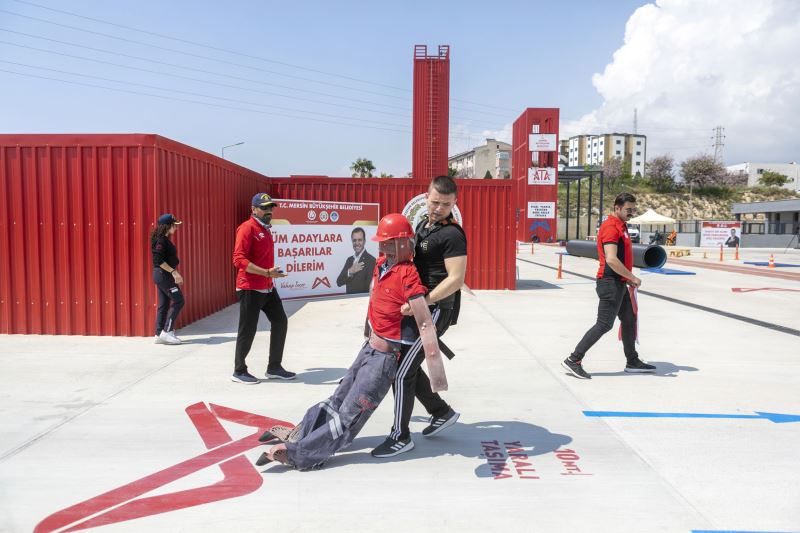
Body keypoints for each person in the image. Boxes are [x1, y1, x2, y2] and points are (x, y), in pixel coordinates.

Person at [256, 213, 440, 470]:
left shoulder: (407, 273)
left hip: (385, 358)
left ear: (402, 243)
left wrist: (414, 307)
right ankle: (303, 433)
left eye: (389, 243)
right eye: (382, 243)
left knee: (348, 416)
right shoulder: (380, 265)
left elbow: (421, 308)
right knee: (336, 401)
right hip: (368, 349)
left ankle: (301, 454)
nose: (383, 247)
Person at [371, 175, 467, 458]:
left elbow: (456, 279)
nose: (439, 208)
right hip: (418, 305)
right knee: (408, 365)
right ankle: (440, 412)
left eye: (446, 204)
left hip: (435, 310)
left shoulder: (452, 234)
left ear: (454, 203)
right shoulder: (425, 225)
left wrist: (423, 302)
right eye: (435, 202)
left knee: (401, 374)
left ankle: (400, 436)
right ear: (426, 198)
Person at [561, 193, 656, 379]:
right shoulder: (611, 227)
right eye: (628, 210)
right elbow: (611, 259)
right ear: (617, 208)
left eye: (633, 209)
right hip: (610, 283)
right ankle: (574, 359)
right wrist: (632, 277)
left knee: (629, 319)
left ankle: (632, 361)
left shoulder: (622, 226)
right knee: (604, 324)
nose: (631, 213)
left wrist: (626, 278)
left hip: (619, 282)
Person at [231, 193, 296, 384]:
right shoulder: (247, 228)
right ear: (254, 209)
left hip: (267, 287)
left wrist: (270, 276)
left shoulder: (265, 229)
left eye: (271, 207)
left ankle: (274, 367)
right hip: (250, 288)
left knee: (280, 322)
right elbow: (239, 260)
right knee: (248, 329)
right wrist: (266, 272)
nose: (269, 211)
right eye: (264, 207)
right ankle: (239, 370)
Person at [151, 213, 185, 345]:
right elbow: (158, 261)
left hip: (162, 275)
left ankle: (159, 334)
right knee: (179, 301)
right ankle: (167, 331)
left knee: (164, 304)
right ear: (167, 226)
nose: (175, 228)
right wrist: (174, 272)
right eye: (174, 225)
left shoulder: (164, 239)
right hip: (163, 275)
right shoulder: (161, 241)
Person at [336, 227, 376, 293]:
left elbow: (369, 288)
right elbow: (339, 282)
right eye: (354, 240)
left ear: (364, 241)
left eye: (360, 240)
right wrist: (350, 271)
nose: (357, 243)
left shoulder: (371, 260)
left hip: (362, 301)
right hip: (348, 301)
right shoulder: (349, 260)